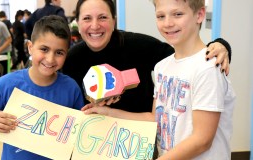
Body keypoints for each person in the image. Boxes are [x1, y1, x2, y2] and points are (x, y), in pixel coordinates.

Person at [82, 0, 236, 159]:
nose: (168, 23)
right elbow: (155, 119)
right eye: (161, 16)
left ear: (200, 14)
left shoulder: (208, 67)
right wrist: (108, 112)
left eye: (178, 14)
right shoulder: (162, 67)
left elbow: (202, 139)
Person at [62, 0, 232, 114]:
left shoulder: (138, 45)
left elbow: (185, 55)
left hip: (141, 141)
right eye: (86, 18)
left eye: (103, 17)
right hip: (93, 143)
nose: (94, 25)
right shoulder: (72, 58)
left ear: (114, 21)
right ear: (77, 22)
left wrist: (221, 44)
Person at [0, 15, 84, 160]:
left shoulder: (71, 88)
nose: (50, 59)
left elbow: (80, 129)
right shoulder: (7, 84)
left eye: (59, 52)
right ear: (30, 47)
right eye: (44, 49)